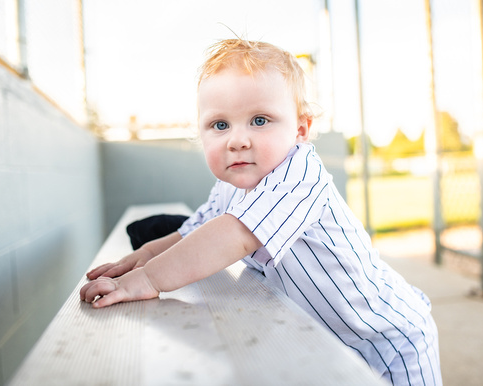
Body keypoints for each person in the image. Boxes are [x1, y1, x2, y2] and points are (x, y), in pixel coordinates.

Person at [80, 38, 442, 385]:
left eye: (259, 120)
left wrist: (148, 280)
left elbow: (232, 236)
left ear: (301, 129)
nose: (237, 139)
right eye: (220, 125)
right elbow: (192, 232)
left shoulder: (299, 175)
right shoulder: (230, 186)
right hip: (332, 343)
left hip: (387, 340)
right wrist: (141, 258)